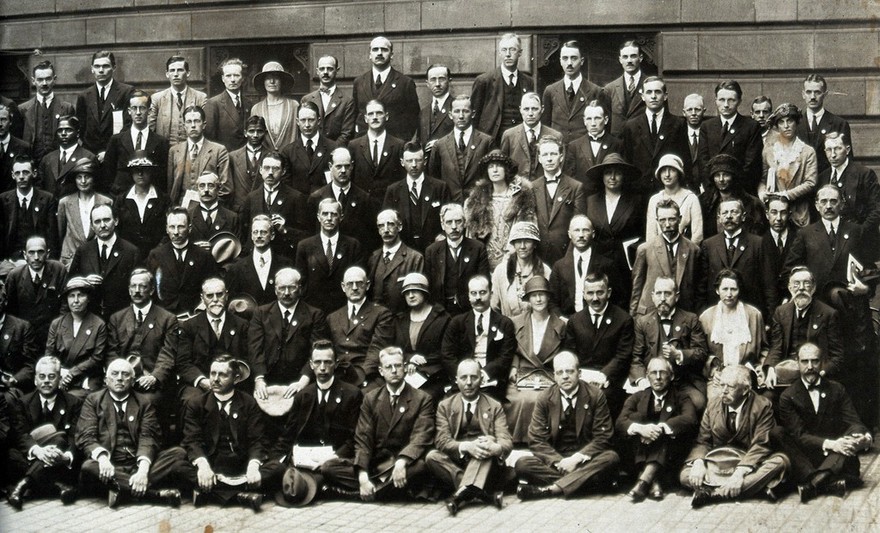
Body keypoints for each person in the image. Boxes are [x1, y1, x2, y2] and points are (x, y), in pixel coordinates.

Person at [786, 185, 878, 428]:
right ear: (816, 205)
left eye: (833, 201)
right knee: (825, 363)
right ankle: (829, 425)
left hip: (853, 311)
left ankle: (860, 426)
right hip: (821, 313)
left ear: (841, 204)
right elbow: (791, 269)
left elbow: (871, 269)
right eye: (824, 201)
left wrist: (866, 288)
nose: (828, 206)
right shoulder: (806, 234)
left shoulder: (856, 231)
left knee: (856, 364)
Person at [321, 347, 435, 501]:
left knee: (421, 467)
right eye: (389, 367)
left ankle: (356, 494)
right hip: (376, 464)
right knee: (329, 467)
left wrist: (402, 462)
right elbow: (363, 438)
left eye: (398, 366)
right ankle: (385, 490)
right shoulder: (371, 398)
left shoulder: (422, 399)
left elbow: (421, 436)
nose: (394, 371)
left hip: (403, 463)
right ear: (381, 371)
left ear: (405, 368)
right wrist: (362, 476)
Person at [75, 358, 185, 508]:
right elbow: (86, 436)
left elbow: (149, 437)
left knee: (178, 454)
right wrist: (102, 459)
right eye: (114, 374)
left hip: (136, 463)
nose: (119, 378)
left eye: (125, 374)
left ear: (133, 381)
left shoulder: (144, 403)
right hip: (109, 466)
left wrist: (142, 471)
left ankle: (121, 489)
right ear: (106, 379)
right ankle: (154, 495)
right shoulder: (93, 401)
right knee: (88, 467)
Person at [514, 351, 620, 500]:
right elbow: (536, 440)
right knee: (522, 464)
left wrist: (576, 459)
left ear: (579, 373)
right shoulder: (545, 398)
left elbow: (603, 437)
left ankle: (550, 490)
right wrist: (560, 462)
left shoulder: (595, 395)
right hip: (558, 461)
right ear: (554, 376)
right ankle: (589, 484)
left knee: (611, 458)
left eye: (570, 371)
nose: (565, 376)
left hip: (584, 460)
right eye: (560, 372)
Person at [679, 365, 788, 508]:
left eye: (730, 387)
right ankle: (753, 489)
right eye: (722, 385)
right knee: (686, 474)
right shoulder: (713, 405)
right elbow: (703, 441)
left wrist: (739, 473)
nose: (723, 391)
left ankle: (711, 494)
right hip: (720, 462)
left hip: (749, 462)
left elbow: (761, 444)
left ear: (745, 390)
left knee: (780, 462)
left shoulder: (762, 406)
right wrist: (699, 462)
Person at [174, 356, 272, 511]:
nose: (215, 379)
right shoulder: (196, 404)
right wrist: (203, 466)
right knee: (178, 466)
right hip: (212, 464)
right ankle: (242, 494)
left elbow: (257, 440)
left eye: (223, 375)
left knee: (277, 467)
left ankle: (210, 492)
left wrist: (253, 467)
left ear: (236, 378)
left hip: (241, 464)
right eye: (213, 373)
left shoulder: (248, 403)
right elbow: (192, 440)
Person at [778, 343, 873, 503]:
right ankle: (828, 482)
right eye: (804, 361)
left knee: (857, 429)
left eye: (815, 361)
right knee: (778, 433)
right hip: (808, 459)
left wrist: (864, 438)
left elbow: (855, 422)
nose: (810, 367)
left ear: (822, 362)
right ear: (797, 362)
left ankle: (814, 484)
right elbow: (799, 436)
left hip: (837, 456)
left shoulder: (837, 389)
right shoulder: (788, 396)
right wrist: (832, 444)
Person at [270, 341, 363, 503]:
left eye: (327, 362)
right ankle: (324, 487)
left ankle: (328, 487)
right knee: (289, 481)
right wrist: (273, 461)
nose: (322, 368)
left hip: (335, 460)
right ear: (311, 365)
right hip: (307, 460)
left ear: (335, 364)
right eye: (318, 362)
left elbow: (354, 436)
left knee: (328, 472)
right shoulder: (303, 396)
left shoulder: (352, 394)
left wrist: (334, 457)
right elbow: (289, 434)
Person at [427, 358, 512, 515]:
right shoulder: (445, 406)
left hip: (485, 461)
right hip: (457, 462)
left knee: (486, 444)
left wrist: (495, 447)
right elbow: (441, 441)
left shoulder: (494, 406)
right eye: (464, 377)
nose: (469, 382)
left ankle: (458, 498)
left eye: (474, 377)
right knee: (432, 457)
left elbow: (506, 441)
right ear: (456, 380)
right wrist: (466, 447)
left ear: (481, 379)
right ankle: (483, 494)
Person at [616, 357, 698, 502]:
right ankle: (654, 482)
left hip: (670, 457)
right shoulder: (637, 397)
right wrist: (641, 429)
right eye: (653, 373)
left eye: (663, 373)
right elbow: (620, 422)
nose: (658, 377)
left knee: (664, 432)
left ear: (671, 376)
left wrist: (661, 428)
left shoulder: (681, 397)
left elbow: (690, 419)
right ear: (647, 376)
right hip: (639, 455)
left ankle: (643, 481)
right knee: (636, 419)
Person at [6, 356, 83, 509]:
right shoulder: (23, 402)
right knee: (10, 454)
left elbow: (75, 436)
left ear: (59, 379)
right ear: (35, 380)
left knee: (60, 440)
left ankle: (23, 485)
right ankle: (58, 486)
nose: (46, 381)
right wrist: (38, 451)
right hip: (35, 455)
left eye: (51, 376)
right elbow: (21, 435)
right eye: (42, 377)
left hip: (60, 458)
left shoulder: (74, 403)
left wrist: (66, 457)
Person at [248, 268, 330, 402]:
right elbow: (254, 348)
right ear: (275, 289)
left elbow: (317, 352)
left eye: (291, 288)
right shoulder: (261, 313)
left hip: (300, 380)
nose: (286, 293)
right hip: (267, 380)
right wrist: (259, 379)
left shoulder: (315, 315)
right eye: (282, 288)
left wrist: (304, 380)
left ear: (300, 288)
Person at [630, 276, 709, 411]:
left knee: (699, 403)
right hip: (653, 380)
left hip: (683, 381)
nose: (662, 298)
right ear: (653, 296)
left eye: (667, 294)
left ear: (676, 296)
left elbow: (701, 353)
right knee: (639, 406)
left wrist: (679, 354)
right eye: (659, 293)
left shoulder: (691, 319)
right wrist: (641, 380)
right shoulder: (643, 322)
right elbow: (636, 358)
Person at [506, 276, 566, 444]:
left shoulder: (560, 325)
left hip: (548, 376)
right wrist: (512, 367)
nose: (538, 299)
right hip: (521, 374)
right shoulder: (515, 323)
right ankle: (516, 443)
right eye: (534, 295)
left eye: (542, 294)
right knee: (516, 399)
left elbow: (563, 354)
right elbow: (510, 351)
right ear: (528, 299)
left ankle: (540, 443)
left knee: (538, 399)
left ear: (548, 297)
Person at [105, 269, 179, 405]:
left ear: (151, 290)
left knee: (146, 403)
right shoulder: (116, 319)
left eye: (142, 286)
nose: (137, 290)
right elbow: (112, 353)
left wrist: (154, 377)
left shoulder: (167, 319)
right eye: (133, 286)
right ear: (129, 290)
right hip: (122, 380)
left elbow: (168, 355)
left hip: (151, 382)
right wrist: (120, 376)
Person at [763, 266, 843, 389]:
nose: (801, 288)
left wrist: (821, 372)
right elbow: (776, 347)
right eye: (796, 284)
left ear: (813, 288)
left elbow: (837, 356)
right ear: (790, 288)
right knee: (767, 397)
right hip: (787, 375)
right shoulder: (781, 312)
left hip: (816, 374)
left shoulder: (828, 314)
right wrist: (771, 369)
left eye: (806, 283)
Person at [700, 197, 779, 318]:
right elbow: (702, 288)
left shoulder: (757, 243)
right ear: (719, 217)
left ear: (743, 216)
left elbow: (769, 284)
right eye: (725, 213)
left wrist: (769, 319)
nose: (729, 216)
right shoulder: (709, 245)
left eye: (734, 212)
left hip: (749, 314)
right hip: (717, 315)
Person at [442, 275, 516, 400]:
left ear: (491, 294)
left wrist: (484, 374)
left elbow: (506, 356)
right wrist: (464, 376)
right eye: (473, 293)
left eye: (482, 293)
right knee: (449, 405)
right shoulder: (457, 322)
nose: (478, 298)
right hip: (464, 380)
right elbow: (447, 354)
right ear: (469, 296)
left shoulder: (504, 323)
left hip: (491, 379)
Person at [177, 277, 250, 404]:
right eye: (209, 296)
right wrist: (202, 381)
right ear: (202, 298)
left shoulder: (241, 325)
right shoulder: (189, 326)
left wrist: (231, 380)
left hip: (233, 382)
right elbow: (183, 362)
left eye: (219, 294)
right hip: (201, 383)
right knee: (190, 400)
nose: (215, 300)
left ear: (226, 296)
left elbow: (247, 358)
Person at [68, 196, 142, 321]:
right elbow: (70, 283)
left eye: (106, 220)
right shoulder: (83, 251)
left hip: (121, 318)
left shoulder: (131, 251)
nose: (102, 225)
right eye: (97, 222)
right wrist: (84, 282)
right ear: (91, 226)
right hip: (90, 318)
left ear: (116, 221)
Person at [584, 154, 645, 301]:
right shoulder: (591, 201)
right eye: (608, 173)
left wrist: (631, 252)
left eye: (617, 173)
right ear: (602, 177)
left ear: (623, 176)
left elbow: (644, 233)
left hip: (624, 266)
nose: (612, 177)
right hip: (597, 264)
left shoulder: (635, 201)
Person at [698, 269, 766, 401]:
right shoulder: (706, 318)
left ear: (739, 290)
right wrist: (712, 371)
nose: (729, 294)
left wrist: (760, 368)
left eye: (733, 289)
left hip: (746, 375)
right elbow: (701, 352)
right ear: (717, 290)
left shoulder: (754, 315)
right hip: (719, 378)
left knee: (752, 405)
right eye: (725, 289)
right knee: (716, 402)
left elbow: (764, 348)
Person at [463, 149, 537, 269]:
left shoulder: (520, 197)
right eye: (491, 167)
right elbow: (471, 234)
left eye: (499, 166)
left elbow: (527, 228)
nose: (495, 170)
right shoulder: (477, 199)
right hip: (484, 258)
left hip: (514, 256)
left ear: (506, 169)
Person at [631, 198, 703, 316]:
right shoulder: (645, 249)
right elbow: (636, 289)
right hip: (650, 314)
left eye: (672, 219)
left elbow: (698, 290)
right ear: (657, 221)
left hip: (683, 314)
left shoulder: (693, 250)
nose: (667, 224)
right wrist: (633, 316)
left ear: (679, 219)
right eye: (662, 220)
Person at [620, 76, 690, 194]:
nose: (653, 96)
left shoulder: (678, 124)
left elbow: (684, 158)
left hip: (669, 189)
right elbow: (627, 162)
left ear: (665, 96)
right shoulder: (631, 126)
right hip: (639, 192)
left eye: (657, 92)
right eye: (649, 92)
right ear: (643, 96)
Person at [327, 266, 394, 389]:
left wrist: (359, 377)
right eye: (349, 284)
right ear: (343, 287)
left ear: (367, 285)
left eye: (359, 283)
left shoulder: (381, 314)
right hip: (338, 375)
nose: (354, 288)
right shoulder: (332, 317)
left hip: (367, 376)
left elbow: (377, 349)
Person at [818, 132, 880, 262]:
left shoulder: (864, 174)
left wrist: (858, 233)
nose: (833, 154)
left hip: (860, 244)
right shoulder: (823, 177)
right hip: (830, 245)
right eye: (829, 150)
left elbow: (876, 210)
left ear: (847, 149)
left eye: (837, 149)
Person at [295, 198, 364, 314]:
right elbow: (301, 281)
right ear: (318, 217)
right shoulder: (305, 246)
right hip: (313, 310)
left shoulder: (353, 245)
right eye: (325, 214)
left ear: (341, 217)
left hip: (343, 309)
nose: (329, 218)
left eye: (333, 214)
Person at [146, 206, 219, 314]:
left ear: (189, 228)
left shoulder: (203, 256)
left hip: (194, 314)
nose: (176, 232)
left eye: (180, 227)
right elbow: (150, 289)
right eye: (172, 227)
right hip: (165, 315)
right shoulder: (156, 255)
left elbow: (213, 285)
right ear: (166, 229)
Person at [383, 141, 452, 253]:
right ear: (402, 162)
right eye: (409, 161)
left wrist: (443, 235)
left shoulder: (439, 187)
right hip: (404, 251)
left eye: (418, 160)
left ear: (425, 161)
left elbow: (450, 216)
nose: (414, 165)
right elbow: (386, 220)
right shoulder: (393, 190)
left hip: (434, 249)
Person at [696, 80, 763, 194]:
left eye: (731, 100)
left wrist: (731, 191)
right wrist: (713, 190)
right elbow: (703, 163)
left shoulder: (750, 127)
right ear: (716, 101)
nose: (726, 105)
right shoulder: (707, 126)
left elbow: (751, 165)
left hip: (740, 192)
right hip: (713, 193)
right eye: (722, 100)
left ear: (739, 101)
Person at [44, 277, 107, 398]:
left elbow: (97, 359)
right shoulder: (57, 324)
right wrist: (61, 373)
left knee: (73, 398)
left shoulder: (98, 324)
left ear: (88, 298)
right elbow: (49, 355)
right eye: (71, 296)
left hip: (87, 378)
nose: (76, 300)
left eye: (80, 295)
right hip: (61, 376)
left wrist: (72, 373)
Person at [308, 146, 379, 251]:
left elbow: (370, 236)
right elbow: (310, 234)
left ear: (352, 167)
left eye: (347, 166)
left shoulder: (364, 199)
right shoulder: (317, 197)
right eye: (338, 166)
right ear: (330, 166)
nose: (343, 171)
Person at [239, 150, 309, 257]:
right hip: (256, 256)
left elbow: (306, 235)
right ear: (261, 170)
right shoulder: (251, 198)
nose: (270, 173)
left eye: (275, 168)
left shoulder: (295, 197)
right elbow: (244, 231)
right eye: (266, 168)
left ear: (283, 171)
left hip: (283, 256)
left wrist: (285, 230)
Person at [425, 203, 491, 315]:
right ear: (442, 225)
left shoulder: (477, 248)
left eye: (458, 221)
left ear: (465, 223)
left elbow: (484, 281)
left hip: (469, 310)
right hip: (440, 312)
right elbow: (429, 286)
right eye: (449, 222)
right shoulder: (432, 251)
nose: (454, 227)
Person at [758, 103, 817, 228]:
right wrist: (762, 193)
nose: (786, 126)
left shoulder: (807, 151)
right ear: (777, 126)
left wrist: (787, 195)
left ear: (796, 123)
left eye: (790, 121)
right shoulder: (769, 151)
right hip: (775, 213)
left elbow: (810, 182)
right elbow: (762, 179)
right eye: (781, 122)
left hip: (798, 213)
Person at [394, 273, 451, 402]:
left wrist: (421, 362)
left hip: (433, 374)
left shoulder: (442, 318)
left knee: (421, 399)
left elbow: (446, 352)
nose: (411, 295)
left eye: (415, 291)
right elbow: (395, 347)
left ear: (425, 293)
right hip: (406, 371)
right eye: (407, 292)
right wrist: (409, 359)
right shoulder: (400, 319)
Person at [352, 36, 420, 141]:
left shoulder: (405, 83)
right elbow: (355, 114)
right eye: (375, 49)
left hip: (394, 145)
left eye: (384, 50)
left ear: (391, 55)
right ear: (370, 55)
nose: (379, 53)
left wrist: (401, 142)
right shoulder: (359, 82)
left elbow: (413, 118)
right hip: (364, 146)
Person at [532, 136, 587, 266]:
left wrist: (568, 258)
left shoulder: (575, 187)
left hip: (566, 256)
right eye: (545, 155)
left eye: (553, 154)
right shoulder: (532, 188)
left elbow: (578, 225)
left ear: (561, 157)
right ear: (539, 159)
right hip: (538, 256)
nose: (549, 158)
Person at [428, 95, 494, 202]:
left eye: (465, 111)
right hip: (450, 205)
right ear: (450, 115)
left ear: (473, 114)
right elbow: (434, 180)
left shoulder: (486, 142)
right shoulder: (440, 145)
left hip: (478, 204)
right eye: (457, 111)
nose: (461, 116)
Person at [471, 33, 534, 144]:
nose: (508, 54)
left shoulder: (528, 82)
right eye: (504, 50)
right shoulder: (485, 81)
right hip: (493, 141)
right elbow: (473, 117)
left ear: (520, 53)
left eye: (512, 50)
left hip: (519, 141)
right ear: (499, 53)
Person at [541, 41, 609, 144]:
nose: (569, 63)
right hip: (558, 150)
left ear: (581, 61)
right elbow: (545, 126)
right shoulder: (550, 91)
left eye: (574, 58)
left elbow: (603, 128)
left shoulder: (595, 91)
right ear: (560, 61)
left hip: (584, 152)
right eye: (565, 58)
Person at [548, 215, 617, 316]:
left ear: (593, 234)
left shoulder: (606, 264)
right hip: (567, 322)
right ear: (569, 234)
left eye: (585, 230)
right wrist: (561, 319)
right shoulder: (559, 266)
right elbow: (552, 301)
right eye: (576, 230)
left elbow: (617, 299)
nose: (581, 235)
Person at [4, 236, 66, 348]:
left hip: (53, 334)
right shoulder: (15, 276)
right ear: (24, 255)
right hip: (24, 337)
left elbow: (65, 304)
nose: (36, 257)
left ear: (48, 253)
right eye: (31, 252)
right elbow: (10, 310)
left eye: (40, 252)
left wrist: (58, 331)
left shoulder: (58, 270)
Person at [103, 91, 170, 195]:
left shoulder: (161, 142)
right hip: (121, 197)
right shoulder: (116, 140)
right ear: (129, 111)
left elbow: (163, 175)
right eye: (134, 108)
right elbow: (107, 173)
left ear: (149, 110)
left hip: (150, 197)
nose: (138, 112)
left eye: (142, 108)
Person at [74, 51, 135, 157]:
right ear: (92, 69)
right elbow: (80, 128)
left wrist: (109, 151)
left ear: (114, 67)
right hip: (91, 156)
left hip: (117, 154)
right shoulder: (84, 96)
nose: (101, 70)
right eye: (97, 66)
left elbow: (128, 125)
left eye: (105, 66)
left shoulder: (126, 92)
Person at [167, 105, 231, 206]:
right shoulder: (175, 151)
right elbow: (170, 186)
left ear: (204, 124)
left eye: (197, 121)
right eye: (189, 121)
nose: (193, 125)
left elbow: (226, 188)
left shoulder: (218, 150)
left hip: (208, 208)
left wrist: (208, 206)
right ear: (184, 126)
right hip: (181, 208)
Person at [224, 214, 294, 305]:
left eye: (263, 232)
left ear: (272, 235)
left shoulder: (285, 265)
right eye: (255, 232)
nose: (259, 236)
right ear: (251, 236)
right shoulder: (237, 268)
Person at [56, 157, 113, 267]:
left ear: (94, 178)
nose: (83, 181)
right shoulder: (65, 202)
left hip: (97, 260)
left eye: (87, 177)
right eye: (79, 177)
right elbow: (60, 232)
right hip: (69, 260)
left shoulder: (106, 201)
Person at [366, 209, 424, 314]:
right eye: (381, 226)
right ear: (378, 230)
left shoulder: (415, 258)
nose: (386, 230)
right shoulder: (373, 258)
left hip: (403, 321)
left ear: (399, 227)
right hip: (377, 321)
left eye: (391, 224)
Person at [115, 154, 171, 260]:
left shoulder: (163, 199)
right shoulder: (121, 200)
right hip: (128, 256)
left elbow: (169, 229)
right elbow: (117, 229)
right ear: (131, 173)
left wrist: (158, 250)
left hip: (158, 255)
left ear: (151, 172)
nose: (140, 174)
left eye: (144, 170)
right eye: (136, 170)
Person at [699, 153, 768, 239]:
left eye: (726, 175)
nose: (721, 179)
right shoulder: (705, 203)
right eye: (717, 175)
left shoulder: (752, 203)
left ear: (733, 176)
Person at [1, 155, 58, 260]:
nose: (21, 176)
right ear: (13, 175)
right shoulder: (3, 199)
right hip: (11, 259)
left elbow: (52, 237)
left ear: (34, 173)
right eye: (17, 173)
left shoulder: (47, 199)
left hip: (39, 258)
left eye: (25, 172)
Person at [490, 221, 551, 319]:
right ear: (513, 244)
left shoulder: (545, 271)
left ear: (535, 244)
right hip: (508, 329)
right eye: (518, 241)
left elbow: (550, 307)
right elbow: (493, 307)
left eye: (527, 241)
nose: (522, 246)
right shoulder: (501, 271)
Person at [19, 60, 75, 163]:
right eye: (40, 79)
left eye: (48, 79)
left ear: (54, 80)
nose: (44, 83)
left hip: (58, 164)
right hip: (32, 164)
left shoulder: (67, 108)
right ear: (33, 81)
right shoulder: (23, 109)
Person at [350, 99, 406, 202]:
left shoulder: (399, 145)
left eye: (379, 113)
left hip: (390, 204)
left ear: (387, 116)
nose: (375, 117)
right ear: (366, 118)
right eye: (371, 114)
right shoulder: (354, 146)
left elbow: (402, 180)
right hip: (363, 204)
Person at [796, 74, 852, 174]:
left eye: (817, 92)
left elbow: (847, 162)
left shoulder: (839, 124)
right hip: (801, 185)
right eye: (809, 92)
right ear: (803, 94)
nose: (812, 97)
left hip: (828, 184)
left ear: (825, 94)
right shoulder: (795, 124)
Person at [500, 92, 562, 181]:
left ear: (542, 109)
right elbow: (504, 167)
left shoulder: (555, 135)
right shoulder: (509, 135)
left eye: (534, 109)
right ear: (520, 110)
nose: (530, 113)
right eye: (526, 109)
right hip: (518, 188)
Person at [563, 101, 621, 193]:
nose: (593, 123)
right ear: (584, 121)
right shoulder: (574, 146)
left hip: (607, 197)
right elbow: (570, 178)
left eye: (597, 118)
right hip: (583, 198)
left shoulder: (617, 144)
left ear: (605, 120)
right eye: (589, 119)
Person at [280, 101, 337, 195]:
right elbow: (286, 185)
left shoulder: (332, 148)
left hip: (325, 204)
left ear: (318, 121)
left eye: (311, 120)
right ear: (297, 122)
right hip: (298, 205)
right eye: (303, 120)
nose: (307, 125)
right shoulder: (288, 151)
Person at [148, 55, 207, 145]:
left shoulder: (200, 98)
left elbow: (206, 129)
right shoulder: (157, 98)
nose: (176, 74)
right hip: (165, 152)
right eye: (172, 70)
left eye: (180, 70)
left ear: (188, 73)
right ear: (167, 74)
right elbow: (150, 130)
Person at [646, 154, 703, 245]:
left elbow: (697, 234)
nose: (667, 175)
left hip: (685, 252)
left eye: (672, 170)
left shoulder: (691, 198)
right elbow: (651, 235)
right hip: (660, 252)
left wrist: (688, 255)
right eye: (664, 171)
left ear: (679, 173)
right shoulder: (654, 200)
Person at [301, 55, 356, 145]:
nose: (325, 72)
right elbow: (302, 129)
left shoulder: (347, 101)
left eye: (330, 69)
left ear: (337, 70)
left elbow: (347, 133)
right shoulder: (307, 99)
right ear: (317, 71)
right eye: (322, 69)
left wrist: (332, 151)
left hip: (336, 152)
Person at [36, 116, 93, 198]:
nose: (63, 133)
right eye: (60, 130)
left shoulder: (88, 157)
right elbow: (40, 188)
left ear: (78, 133)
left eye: (68, 130)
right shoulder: (47, 159)